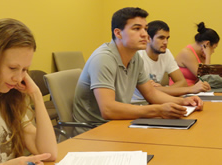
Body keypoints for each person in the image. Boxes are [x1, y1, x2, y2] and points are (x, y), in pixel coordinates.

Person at [73, 7, 203, 130]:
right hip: (93, 130)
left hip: (117, 123)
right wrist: (158, 110)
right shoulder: (103, 58)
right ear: (118, 33)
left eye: (145, 29)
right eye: (136, 29)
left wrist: (183, 101)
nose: (144, 34)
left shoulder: (135, 58)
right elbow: (108, 109)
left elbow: (151, 93)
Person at [0, 18, 57, 165]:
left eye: (24, 69)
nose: (18, 78)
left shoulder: (7, 98)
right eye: (13, 68)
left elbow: (48, 153)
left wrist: (36, 95)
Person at [133, 20, 211, 100]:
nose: (165, 42)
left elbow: (182, 82)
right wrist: (190, 89)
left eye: (167, 38)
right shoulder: (138, 56)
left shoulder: (166, 53)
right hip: (139, 103)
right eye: (161, 38)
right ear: (148, 38)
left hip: (158, 100)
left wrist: (163, 89)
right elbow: (148, 90)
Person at [170, 22, 220, 86]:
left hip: (195, 90)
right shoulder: (187, 53)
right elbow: (205, 78)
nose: (213, 51)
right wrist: (208, 55)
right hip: (182, 90)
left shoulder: (201, 54)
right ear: (207, 44)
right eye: (213, 48)